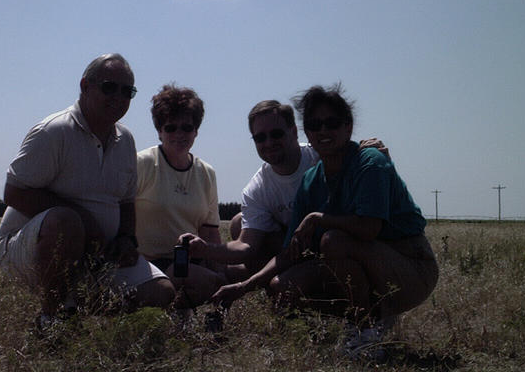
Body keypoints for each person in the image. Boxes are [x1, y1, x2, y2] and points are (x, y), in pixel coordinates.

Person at [212, 84, 438, 358]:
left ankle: (366, 331)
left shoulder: (370, 161)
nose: (323, 131)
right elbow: (288, 253)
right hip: (361, 263)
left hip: (410, 267)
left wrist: (319, 218)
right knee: (281, 286)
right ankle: (365, 317)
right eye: (315, 125)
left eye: (331, 123)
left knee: (333, 240)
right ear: (306, 131)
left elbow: (369, 229)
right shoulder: (311, 179)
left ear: (348, 127)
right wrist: (244, 286)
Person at [0, 54, 175, 326]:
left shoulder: (125, 140)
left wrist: (126, 239)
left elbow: (126, 201)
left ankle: (80, 309)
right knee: (66, 222)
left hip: (100, 254)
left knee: (162, 293)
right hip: (27, 249)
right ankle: (50, 319)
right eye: (109, 87)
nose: (118, 96)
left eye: (127, 91)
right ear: (85, 86)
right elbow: (14, 193)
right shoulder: (53, 132)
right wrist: (83, 221)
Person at [180, 100, 386, 282]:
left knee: (332, 241)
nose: (268, 143)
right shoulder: (257, 188)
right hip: (298, 250)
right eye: (260, 138)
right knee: (238, 224)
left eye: (276, 134)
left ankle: (369, 307)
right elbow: (246, 246)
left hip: (341, 243)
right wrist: (204, 249)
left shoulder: (321, 156)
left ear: (294, 132)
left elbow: (356, 161)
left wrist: (369, 148)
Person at [135, 84, 225, 307]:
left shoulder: (206, 173)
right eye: (170, 127)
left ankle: (180, 313)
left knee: (234, 273)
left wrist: (223, 275)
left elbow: (210, 231)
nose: (179, 134)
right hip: (148, 263)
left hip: (190, 260)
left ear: (196, 130)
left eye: (187, 127)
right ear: (159, 130)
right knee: (206, 281)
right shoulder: (143, 163)